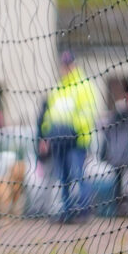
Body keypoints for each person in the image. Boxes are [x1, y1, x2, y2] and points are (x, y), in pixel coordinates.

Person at [40, 51, 99, 223]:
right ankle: (66, 211)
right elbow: (50, 115)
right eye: (64, 65)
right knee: (63, 177)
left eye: (68, 64)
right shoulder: (58, 88)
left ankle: (84, 210)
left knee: (78, 174)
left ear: (74, 65)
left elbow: (88, 112)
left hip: (76, 141)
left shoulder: (83, 85)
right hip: (59, 140)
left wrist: (75, 130)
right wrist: (47, 135)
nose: (66, 68)